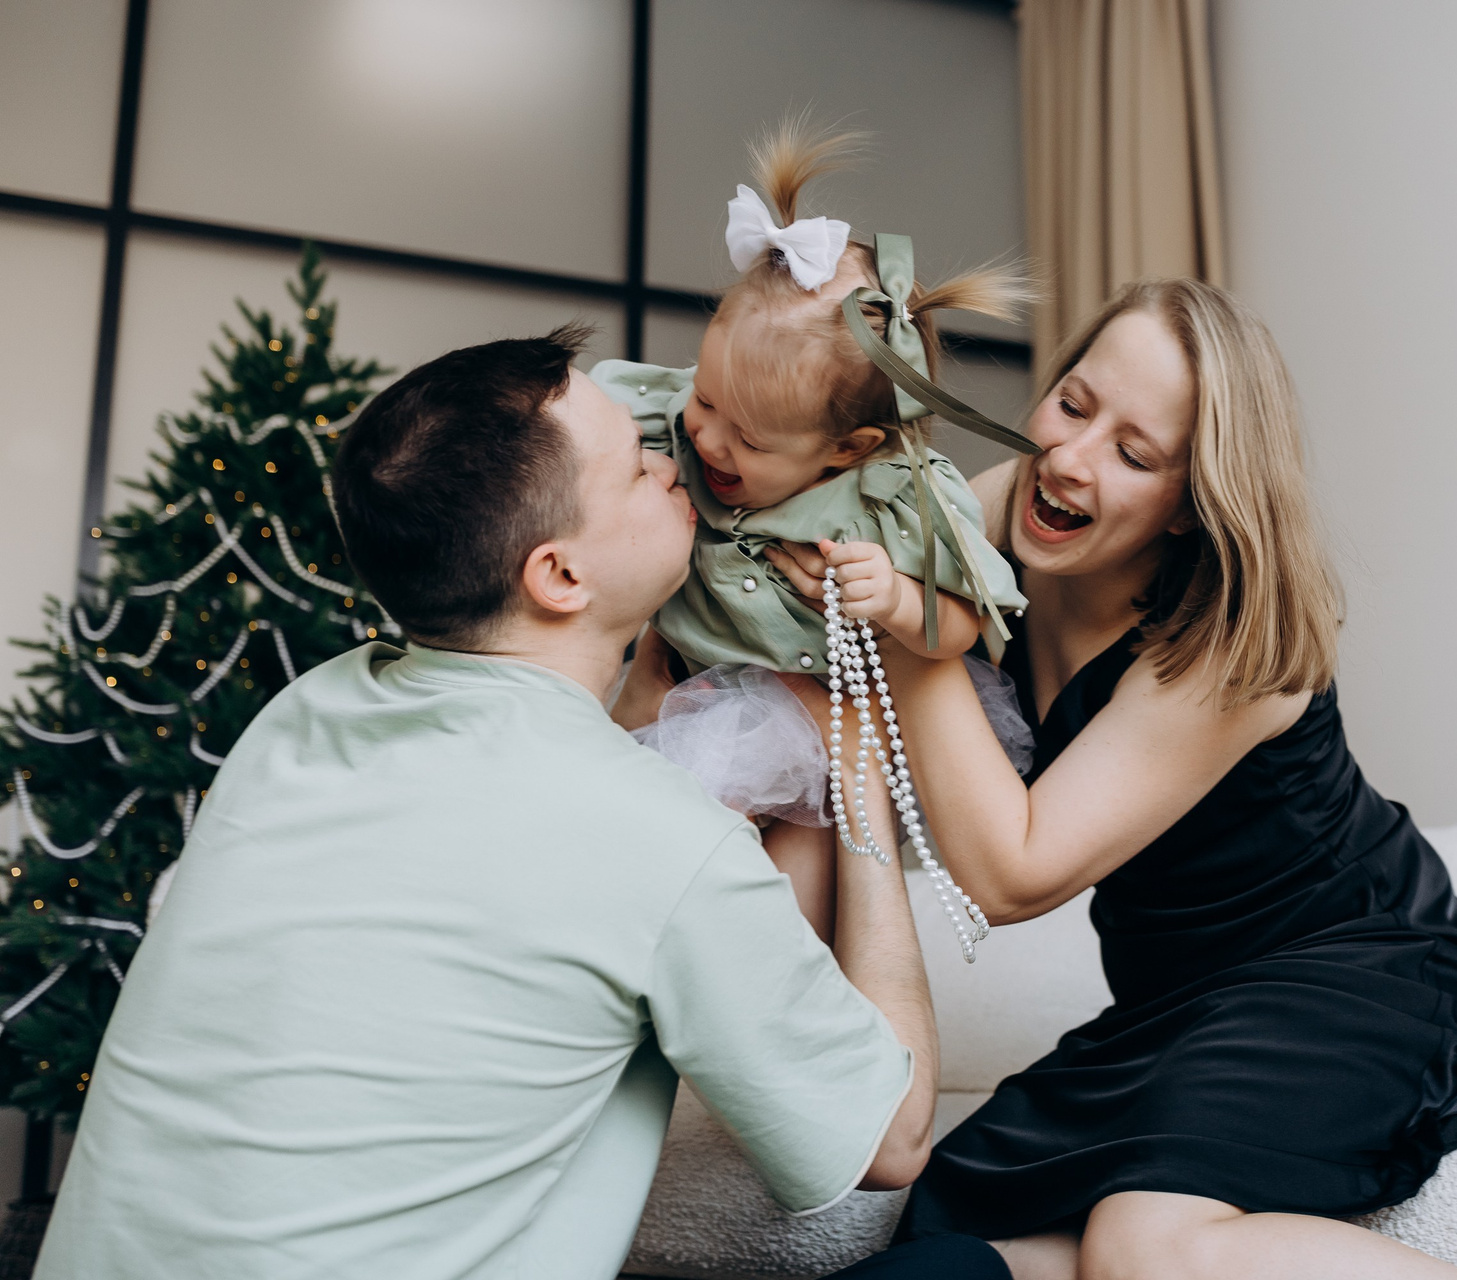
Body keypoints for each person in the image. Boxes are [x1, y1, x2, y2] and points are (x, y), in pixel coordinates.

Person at [34, 328, 1007, 1280]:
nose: (677, 455)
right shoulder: (660, 839)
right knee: (960, 1267)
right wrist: (859, 773)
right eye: (637, 464)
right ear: (559, 573)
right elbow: (891, 1140)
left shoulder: (297, 717)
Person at [771, 279, 1457, 1280]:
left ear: (1194, 503)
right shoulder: (1004, 507)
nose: (1069, 459)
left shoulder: (1230, 647)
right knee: (956, 1235)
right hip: (1174, 1002)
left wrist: (915, 632)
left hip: (1355, 976)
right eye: (1072, 403)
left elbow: (1013, 873)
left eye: (1134, 452)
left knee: (1139, 1244)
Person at [595, 122, 1031, 947]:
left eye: (750, 440)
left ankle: (779, 986)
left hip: (817, 720)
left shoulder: (895, 498)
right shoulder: (674, 420)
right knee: (661, 850)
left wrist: (896, 599)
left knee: (799, 872)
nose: (708, 439)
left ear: (847, 449)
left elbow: (965, 625)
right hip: (688, 690)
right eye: (706, 399)